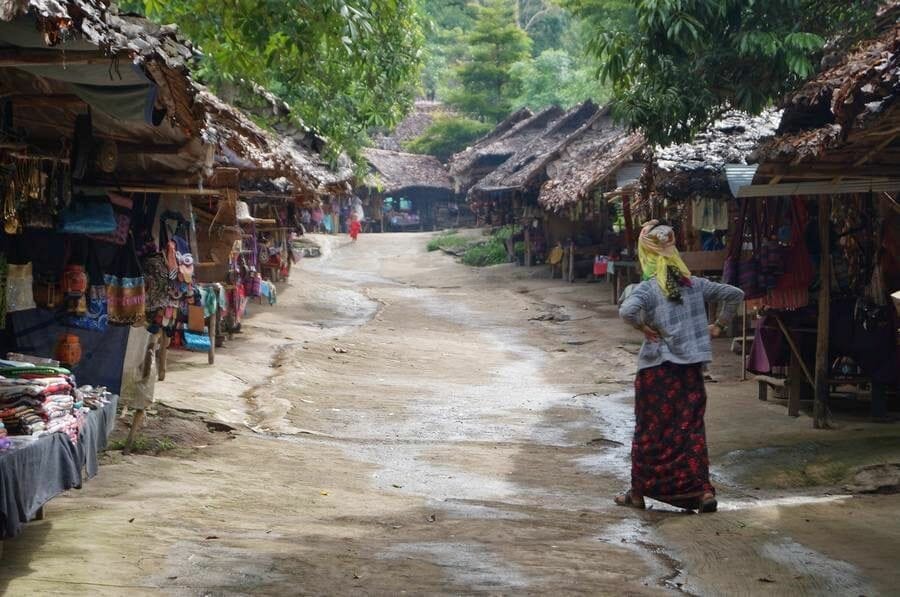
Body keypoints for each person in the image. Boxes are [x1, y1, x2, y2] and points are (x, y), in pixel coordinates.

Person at [617, 220, 744, 513]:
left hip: (656, 371)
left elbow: (627, 311)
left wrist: (643, 328)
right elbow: (734, 294)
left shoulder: (647, 289)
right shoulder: (694, 285)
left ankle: (638, 493)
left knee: (650, 430)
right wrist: (720, 325)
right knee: (689, 430)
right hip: (689, 372)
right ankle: (700, 492)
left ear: (645, 252)